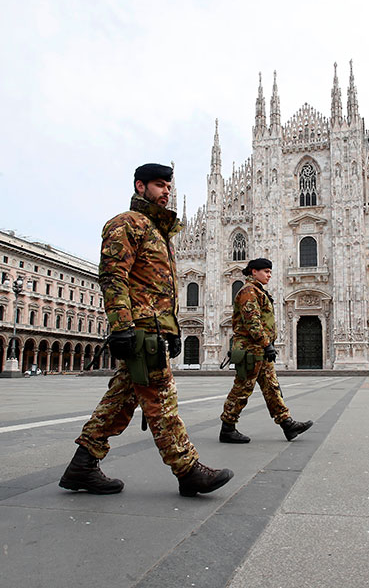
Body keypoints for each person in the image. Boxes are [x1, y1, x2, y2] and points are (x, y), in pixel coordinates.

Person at [59, 163, 233, 497]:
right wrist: (121, 326)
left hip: (154, 331)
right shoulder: (127, 224)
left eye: (168, 186)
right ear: (140, 186)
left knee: (121, 400)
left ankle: (83, 465)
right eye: (158, 184)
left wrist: (173, 329)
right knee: (161, 401)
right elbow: (113, 276)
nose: (166, 191)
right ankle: (187, 469)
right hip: (140, 333)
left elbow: (163, 290)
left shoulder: (160, 232)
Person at [219, 257, 313, 444]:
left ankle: (287, 424)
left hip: (259, 349)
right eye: (266, 271)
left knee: (271, 388)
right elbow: (252, 321)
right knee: (242, 388)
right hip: (250, 349)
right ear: (254, 272)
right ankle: (227, 428)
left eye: (270, 272)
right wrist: (266, 343)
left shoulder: (258, 290)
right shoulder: (248, 291)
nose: (269, 275)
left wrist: (266, 345)